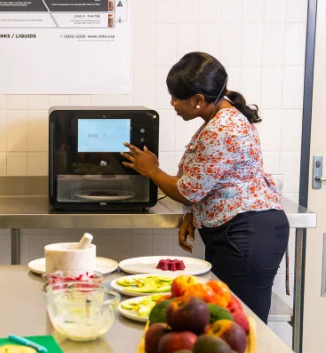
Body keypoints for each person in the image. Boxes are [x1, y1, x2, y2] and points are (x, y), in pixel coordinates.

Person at [121, 52, 289, 323]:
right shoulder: (220, 120)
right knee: (224, 319)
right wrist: (194, 215)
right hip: (243, 231)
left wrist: (150, 169)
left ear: (198, 100)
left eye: (176, 97)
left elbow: (188, 191)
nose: (172, 103)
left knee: (239, 324)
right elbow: (211, 181)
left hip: (247, 236)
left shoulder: (221, 129)